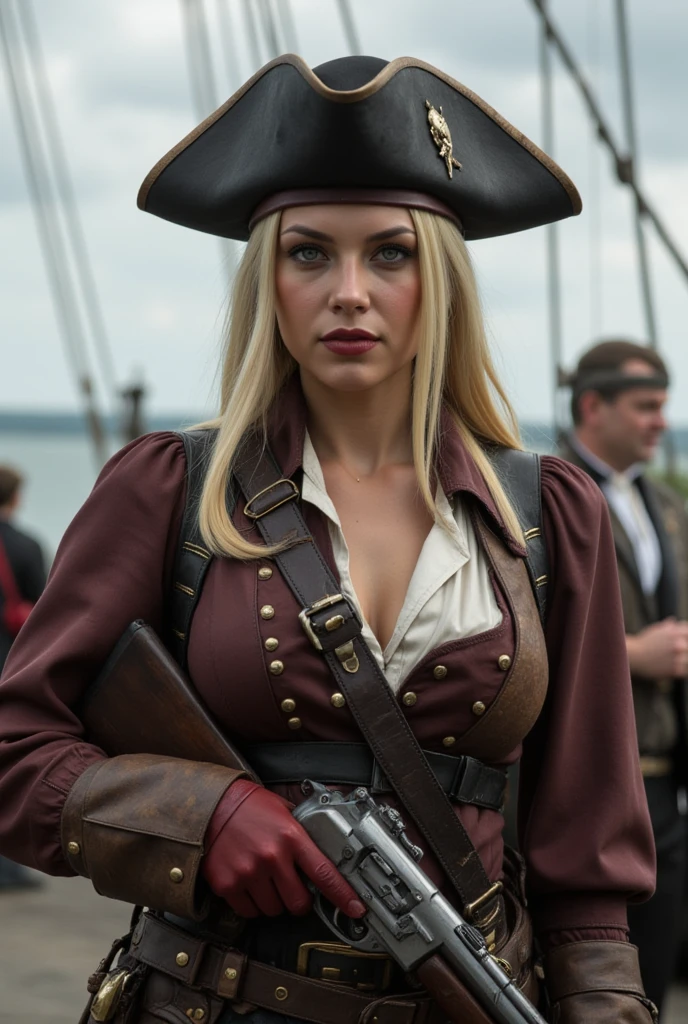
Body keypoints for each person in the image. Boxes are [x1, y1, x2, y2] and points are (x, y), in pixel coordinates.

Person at [0, 55, 658, 1024]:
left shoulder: (549, 512)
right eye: (308, 253)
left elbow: (588, 836)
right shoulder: (172, 487)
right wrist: (199, 816)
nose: (348, 289)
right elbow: (17, 749)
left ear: (438, 280)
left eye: (389, 253)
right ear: (268, 280)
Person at [560, 339, 688, 1015]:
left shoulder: (665, 506)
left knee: (657, 969)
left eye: (663, 407)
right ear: (592, 406)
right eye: (647, 406)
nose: (661, 422)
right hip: (582, 786)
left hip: (663, 788)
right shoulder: (543, 494)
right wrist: (631, 654)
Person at [0, 465, 46, 891]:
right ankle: (7, 866)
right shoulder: (27, 546)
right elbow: (47, 613)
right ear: (14, 498)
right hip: (8, 664)